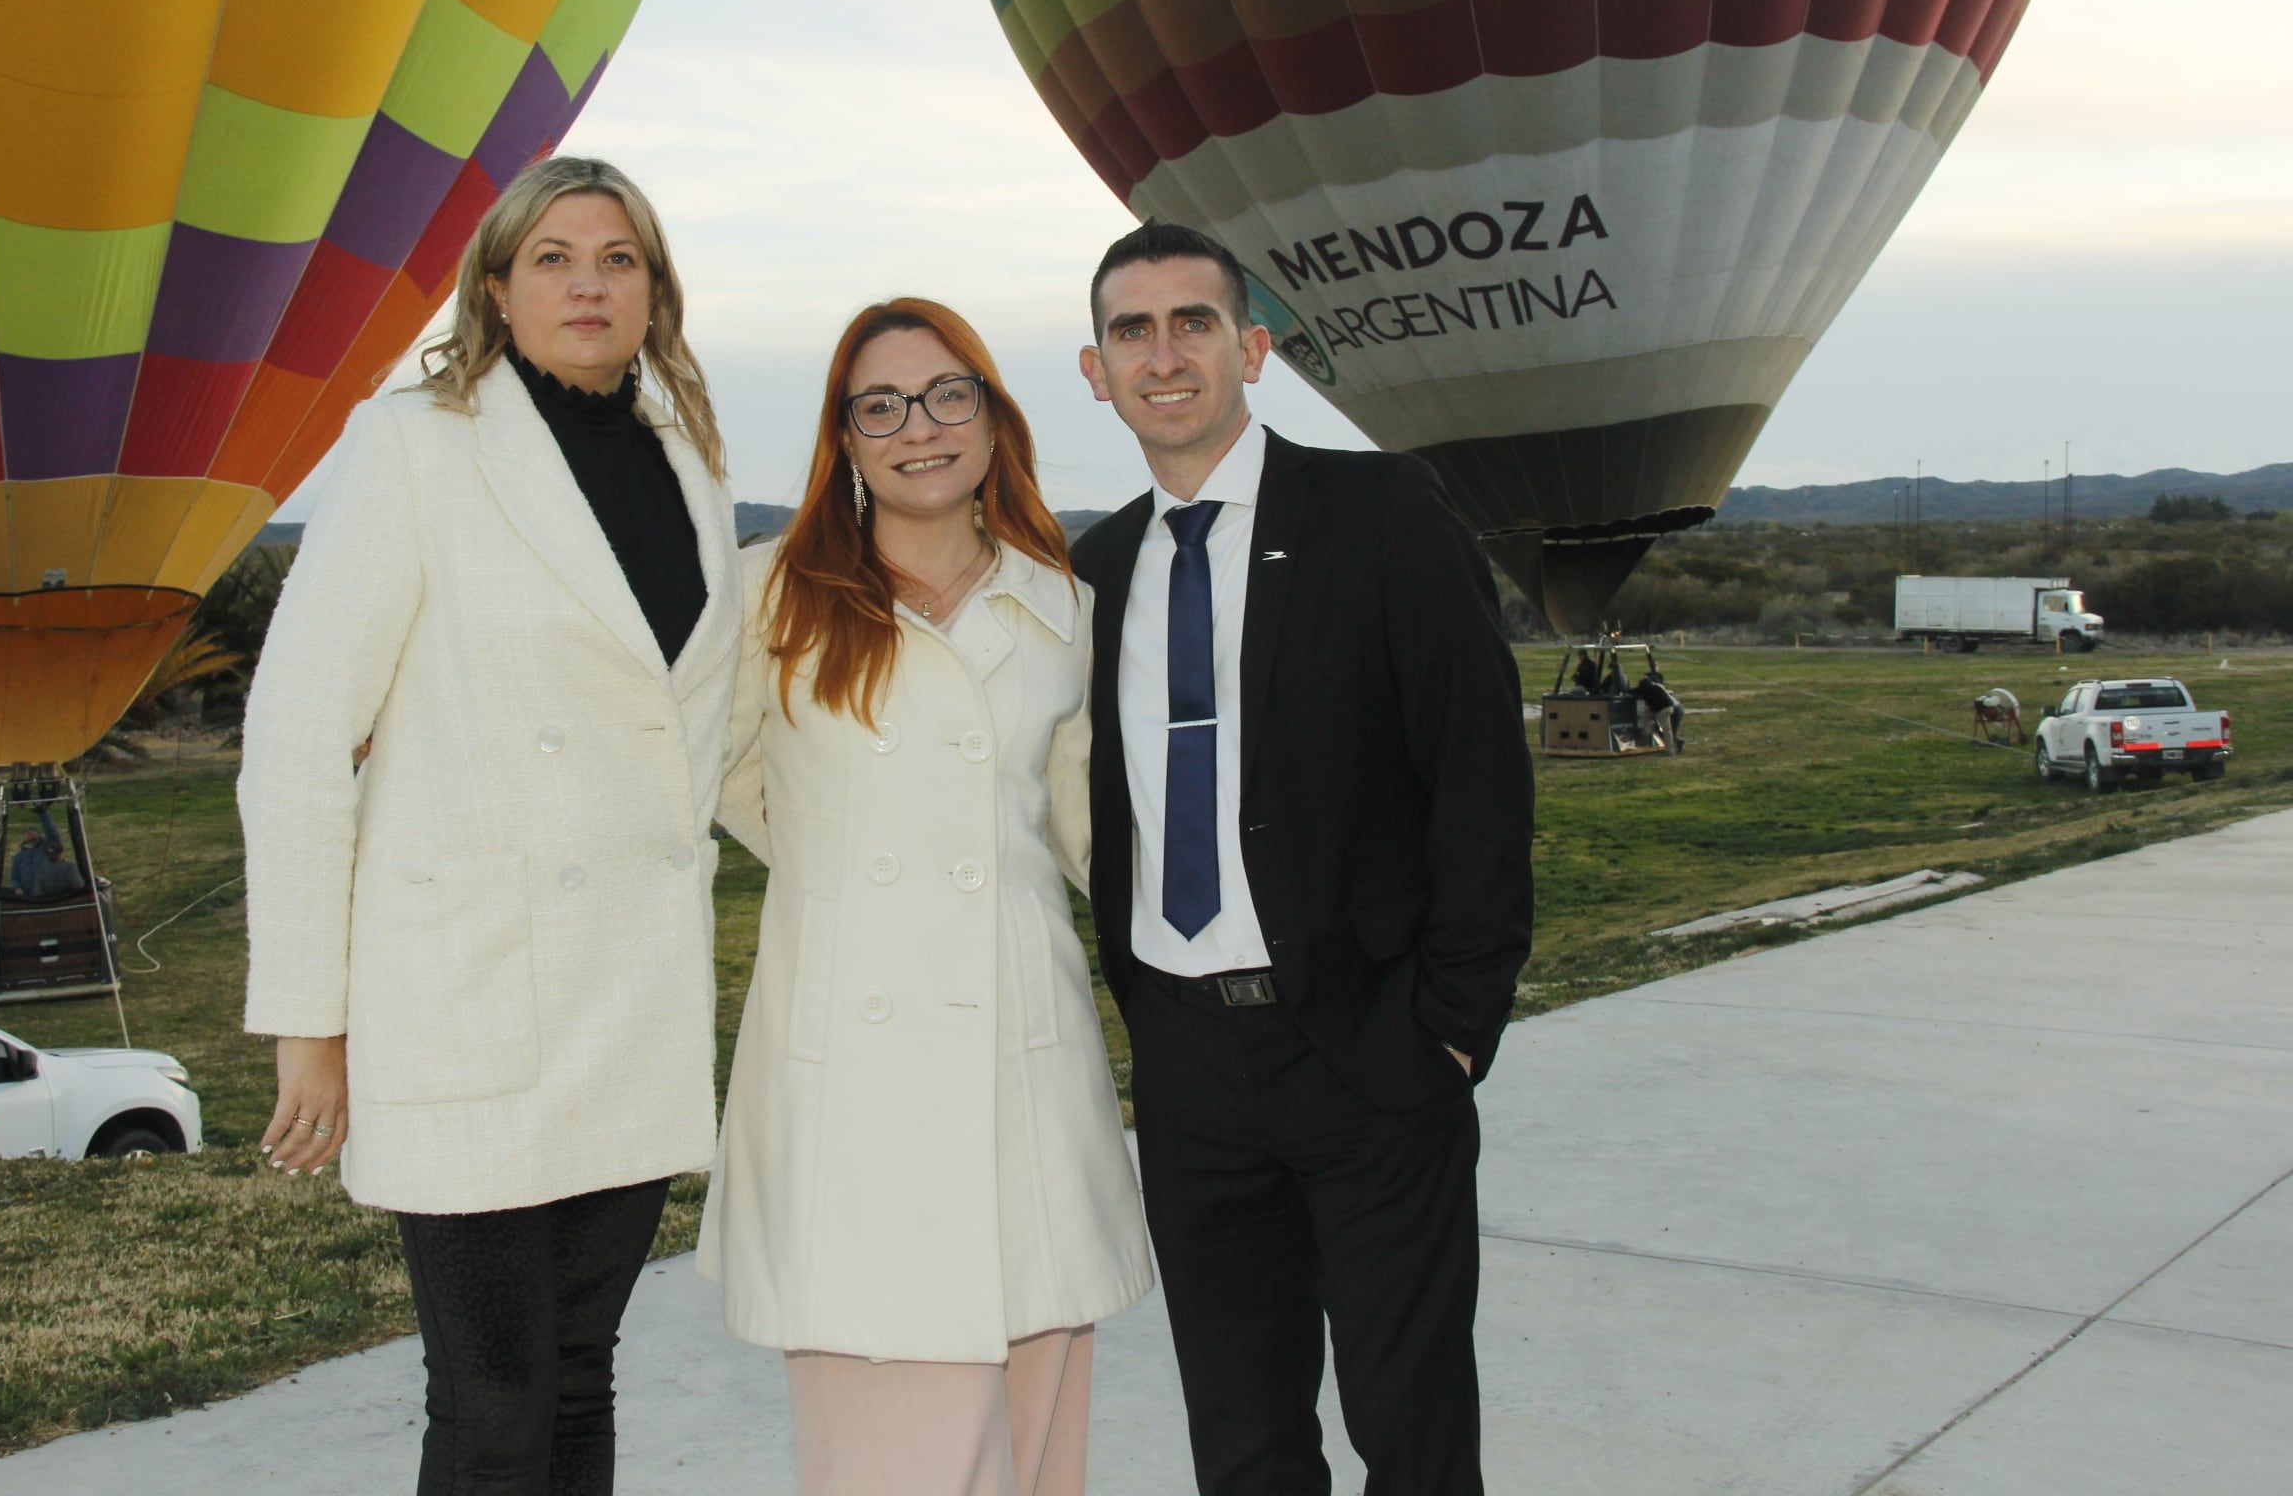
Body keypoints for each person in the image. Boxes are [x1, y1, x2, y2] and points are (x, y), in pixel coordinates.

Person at [238, 155, 742, 1496]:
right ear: (497, 288)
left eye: (619, 257)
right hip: (463, 1000)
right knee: (495, 1404)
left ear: (655, 292)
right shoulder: (419, 444)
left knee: (581, 1383)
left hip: (626, 1001)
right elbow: (295, 735)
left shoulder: (685, 459)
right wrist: (310, 1024)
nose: (589, 283)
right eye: (556, 257)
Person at [1069, 221, 1535, 1495]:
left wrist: (1453, 1024)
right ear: (1094, 371)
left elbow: (1481, 777)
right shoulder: (1094, 571)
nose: (1163, 354)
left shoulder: (1381, 513)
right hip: (1188, 1069)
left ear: (1253, 347)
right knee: (1244, 1438)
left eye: (1193, 323)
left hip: (1372, 1052)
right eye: (1131, 330)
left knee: (1415, 1430)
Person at [703, 298, 1151, 1496]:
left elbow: (1092, 832)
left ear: (996, 422)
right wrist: (841, 866)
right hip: (854, 1083)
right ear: (843, 440)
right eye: (882, 404)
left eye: (951, 394)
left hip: (1023, 1063)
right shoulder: (768, 595)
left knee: (1040, 1417)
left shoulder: (1061, 606)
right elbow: (712, 773)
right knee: (890, 1445)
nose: (920, 427)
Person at [1634, 670, 1684, 753]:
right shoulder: (1657, 687)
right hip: (1666, 708)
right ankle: (1646, 735)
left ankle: (1670, 749)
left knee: (1667, 730)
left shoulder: (1649, 688)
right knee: (1661, 728)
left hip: (1668, 709)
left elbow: (1638, 691)